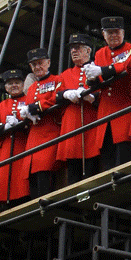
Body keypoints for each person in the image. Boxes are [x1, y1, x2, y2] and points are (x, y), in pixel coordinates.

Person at [85, 17, 131, 170]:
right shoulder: (100, 53)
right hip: (105, 110)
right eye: (110, 33)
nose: (113, 36)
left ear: (122, 33)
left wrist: (103, 70)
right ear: (103, 35)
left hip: (124, 106)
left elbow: (128, 65)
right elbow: (99, 80)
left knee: (123, 148)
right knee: (107, 150)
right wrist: (92, 79)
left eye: (116, 32)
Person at [54, 33, 100, 184]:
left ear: (88, 51)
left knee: (92, 166)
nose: (74, 51)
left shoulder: (96, 68)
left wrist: (92, 98)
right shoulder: (65, 74)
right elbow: (55, 96)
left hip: (91, 123)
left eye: (78, 48)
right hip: (72, 126)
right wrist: (66, 94)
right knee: (73, 170)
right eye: (72, 48)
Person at [20, 49, 65, 197]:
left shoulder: (57, 80)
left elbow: (57, 99)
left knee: (45, 172)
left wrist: (38, 106)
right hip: (34, 137)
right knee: (32, 176)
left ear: (48, 63)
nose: (37, 67)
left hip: (49, 132)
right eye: (33, 65)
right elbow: (27, 106)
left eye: (40, 63)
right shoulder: (32, 87)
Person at [0, 68, 31, 206]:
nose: (14, 86)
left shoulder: (28, 99)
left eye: (17, 82)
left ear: (22, 84)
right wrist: (4, 126)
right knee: (4, 182)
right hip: (5, 149)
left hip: (22, 145)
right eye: (10, 83)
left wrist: (21, 123)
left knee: (20, 182)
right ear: (6, 87)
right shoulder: (2, 105)